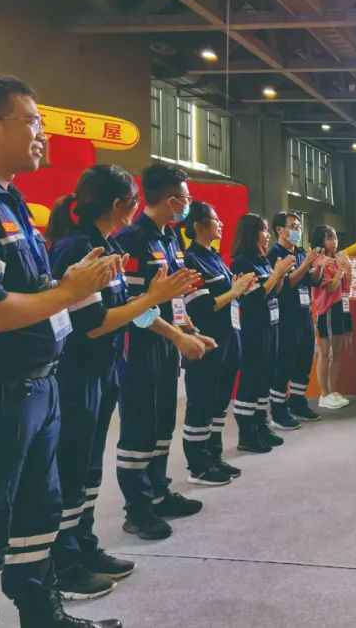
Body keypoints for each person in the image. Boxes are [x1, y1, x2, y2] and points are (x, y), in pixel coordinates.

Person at [0, 75, 121, 627]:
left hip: (39, 384)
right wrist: (67, 292)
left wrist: (66, 285)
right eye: (33, 122)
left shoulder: (7, 199)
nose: (44, 135)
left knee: (38, 515)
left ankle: (44, 615)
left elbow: (32, 291)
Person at [46, 165, 198, 600]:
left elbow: (127, 305)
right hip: (77, 373)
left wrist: (174, 326)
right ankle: (64, 562)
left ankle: (84, 545)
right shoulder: (80, 248)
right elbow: (93, 323)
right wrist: (154, 299)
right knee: (72, 468)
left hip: (102, 368)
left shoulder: (107, 244)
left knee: (88, 469)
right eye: (132, 201)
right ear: (119, 205)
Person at [115, 163, 214, 540]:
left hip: (167, 345)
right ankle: (137, 509)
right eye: (186, 198)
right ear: (172, 200)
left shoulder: (170, 238)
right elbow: (133, 305)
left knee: (161, 424)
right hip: (139, 349)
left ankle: (158, 492)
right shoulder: (133, 239)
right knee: (139, 428)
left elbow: (174, 297)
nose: (188, 204)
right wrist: (176, 336)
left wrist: (189, 329)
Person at [182, 202, 256, 484]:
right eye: (215, 220)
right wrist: (234, 291)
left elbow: (227, 296)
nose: (221, 224)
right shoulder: (191, 260)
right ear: (199, 225)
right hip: (207, 341)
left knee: (219, 402)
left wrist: (239, 289)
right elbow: (202, 307)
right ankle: (198, 465)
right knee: (201, 403)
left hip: (229, 337)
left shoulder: (214, 257)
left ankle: (214, 455)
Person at [231, 214, 296, 452]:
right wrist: (277, 273)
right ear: (252, 234)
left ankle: (261, 425)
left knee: (264, 377)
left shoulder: (262, 260)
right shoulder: (242, 262)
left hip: (271, 324)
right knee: (251, 378)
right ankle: (247, 433)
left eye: (267, 231)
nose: (267, 235)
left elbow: (273, 291)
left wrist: (280, 274)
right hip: (254, 328)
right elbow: (255, 297)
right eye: (263, 230)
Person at [267, 211, 321, 426]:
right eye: (293, 227)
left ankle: (298, 403)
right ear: (280, 230)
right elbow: (287, 284)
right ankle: (278, 410)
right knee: (284, 363)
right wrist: (306, 264)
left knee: (304, 360)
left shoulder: (300, 252)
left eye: (299, 227)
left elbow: (311, 281)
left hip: (304, 314)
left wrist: (318, 267)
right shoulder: (275, 254)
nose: (297, 231)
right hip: (285, 317)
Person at [309, 225, 353, 410]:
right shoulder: (319, 261)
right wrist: (342, 270)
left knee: (338, 352)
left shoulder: (338, 259)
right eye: (329, 238)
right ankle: (324, 394)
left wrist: (347, 268)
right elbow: (331, 287)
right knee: (325, 353)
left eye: (335, 237)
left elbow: (346, 286)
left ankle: (333, 391)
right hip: (325, 310)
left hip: (341, 308)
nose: (334, 241)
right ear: (320, 240)